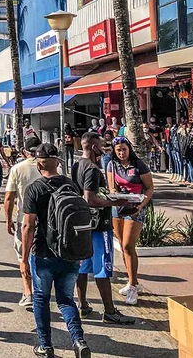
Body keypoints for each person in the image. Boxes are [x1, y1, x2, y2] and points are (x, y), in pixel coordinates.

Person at [21, 143, 91, 358]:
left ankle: (45, 346)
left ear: (39, 163)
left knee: (41, 299)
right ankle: (78, 340)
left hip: (43, 253)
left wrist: (24, 258)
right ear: (58, 162)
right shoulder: (71, 185)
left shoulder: (34, 189)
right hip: (70, 252)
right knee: (66, 299)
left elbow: (28, 225)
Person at [72, 132, 135, 325]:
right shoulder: (91, 169)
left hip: (83, 226)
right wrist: (114, 202)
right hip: (99, 226)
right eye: (102, 145)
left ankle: (83, 305)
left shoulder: (76, 166)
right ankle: (109, 310)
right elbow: (89, 198)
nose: (105, 149)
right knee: (103, 269)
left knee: (83, 268)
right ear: (93, 147)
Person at [107, 136, 154, 306]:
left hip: (135, 208)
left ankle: (133, 286)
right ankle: (131, 280)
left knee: (128, 245)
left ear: (129, 149)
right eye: (118, 150)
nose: (121, 153)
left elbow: (150, 187)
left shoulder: (139, 165)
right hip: (118, 207)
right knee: (121, 244)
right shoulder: (112, 164)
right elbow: (112, 185)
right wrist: (114, 192)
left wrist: (141, 205)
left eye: (124, 149)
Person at [3, 136, 42, 309]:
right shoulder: (51, 166)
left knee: (23, 255)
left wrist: (8, 219)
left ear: (24, 151)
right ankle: (41, 291)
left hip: (24, 220)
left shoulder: (18, 168)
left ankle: (28, 293)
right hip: (48, 220)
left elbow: (9, 197)